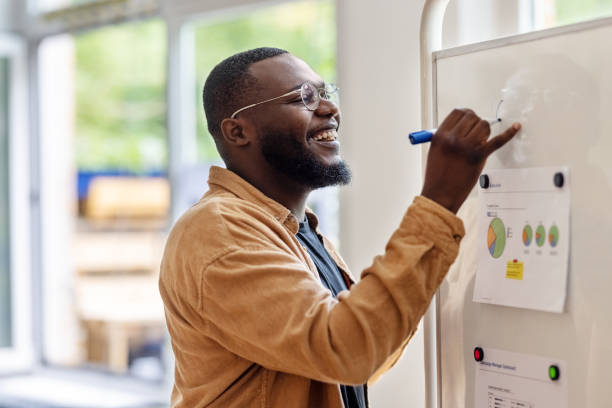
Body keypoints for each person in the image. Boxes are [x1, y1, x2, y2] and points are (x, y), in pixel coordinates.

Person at [159, 47, 521, 408]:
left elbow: (363, 360)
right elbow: (347, 349)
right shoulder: (219, 231)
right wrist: (439, 200)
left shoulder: (296, 230)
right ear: (238, 131)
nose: (330, 109)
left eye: (325, 93)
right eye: (304, 97)